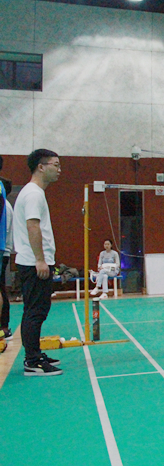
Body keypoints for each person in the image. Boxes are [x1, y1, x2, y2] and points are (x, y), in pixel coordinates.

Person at [14, 149, 62, 376]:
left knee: (36, 310)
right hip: (34, 263)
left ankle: (34, 354)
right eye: (55, 165)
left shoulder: (34, 192)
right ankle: (32, 361)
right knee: (35, 311)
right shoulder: (33, 194)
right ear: (41, 167)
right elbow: (32, 226)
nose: (59, 170)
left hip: (33, 261)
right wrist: (40, 260)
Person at [1, 177, 13, 339]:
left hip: (3, 252)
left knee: (1, 289)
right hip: (3, 250)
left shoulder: (6, 207)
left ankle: (4, 326)